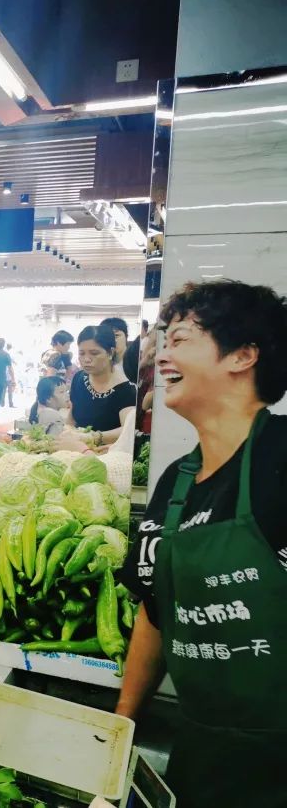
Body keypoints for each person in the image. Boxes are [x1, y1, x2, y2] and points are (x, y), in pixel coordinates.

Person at [116, 280, 287, 807]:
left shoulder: (281, 460)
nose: (162, 354)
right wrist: (120, 729)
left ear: (243, 355)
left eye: (181, 339)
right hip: (200, 750)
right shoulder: (176, 482)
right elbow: (155, 614)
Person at [67, 325, 136, 446]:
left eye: (94, 353)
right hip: (76, 448)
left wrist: (93, 437)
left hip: (107, 453)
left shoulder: (125, 389)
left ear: (110, 353)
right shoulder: (78, 379)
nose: (86, 359)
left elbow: (127, 430)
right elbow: (71, 420)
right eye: (82, 353)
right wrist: (68, 431)